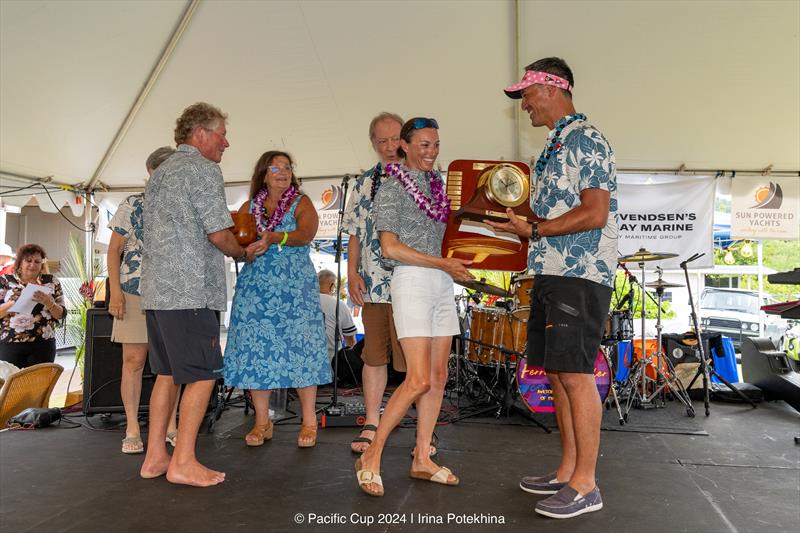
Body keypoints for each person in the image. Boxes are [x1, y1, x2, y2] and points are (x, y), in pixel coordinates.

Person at [487, 57, 618, 519]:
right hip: (552, 269)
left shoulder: (585, 138)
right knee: (559, 374)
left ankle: (587, 485)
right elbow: (553, 218)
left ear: (553, 88)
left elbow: (595, 212)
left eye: (527, 93)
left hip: (579, 273)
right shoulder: (555, 145)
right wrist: (524, 229)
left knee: (576, 375)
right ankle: (567, 470)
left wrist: (537, 232)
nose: (523, 104)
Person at [139, 102, 257, 487]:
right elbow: (219, 233)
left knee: (167, 374)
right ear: (201, 134)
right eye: (221, 133)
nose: (227, 141)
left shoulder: (161, 172)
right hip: (190, 292)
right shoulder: (203, 169)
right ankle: (183, 461)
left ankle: (156, 456)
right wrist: (242, 251)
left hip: (157, 292)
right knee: (204, 374)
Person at [354, 117, 473, 497]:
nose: (432, 152)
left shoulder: (438, 185)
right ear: (404, 146)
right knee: (417, 378)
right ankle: (371, 457)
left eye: (436, 144)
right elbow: (389, 248)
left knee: (438, 377)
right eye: (423, 144)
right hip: (411, 281)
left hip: (440, 282)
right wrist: (443, 264)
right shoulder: (391, 187)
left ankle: (422, 457)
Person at [224, 151, 332, 449]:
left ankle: (309, 421)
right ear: (264, 173)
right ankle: (262, 421)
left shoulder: (301, 202)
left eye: (287, 167)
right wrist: (243, 251)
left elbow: (306, 234)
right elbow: (238, 241)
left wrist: (276, 238)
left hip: (294, 288)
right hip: (256, 288)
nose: (283, 172)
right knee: (257, 351)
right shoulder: (249, 206)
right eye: (276, 167)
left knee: (301, 348)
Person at [342, 112, 412, 455]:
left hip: (413, 284)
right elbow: (354, 234)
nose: (389, 147)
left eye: (395, 139)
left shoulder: (422, 177)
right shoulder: (363, 183)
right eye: (381, 141)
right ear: (372, 143)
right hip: (373, 285)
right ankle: (372, 420)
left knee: (416, 362)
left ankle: (423, 431)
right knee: (373, 356)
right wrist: (351, 272)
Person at [107, 146, 179, 455]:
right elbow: (113, 250)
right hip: (134, 291)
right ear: (152, 171)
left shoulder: (183, 206)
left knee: (172, 366)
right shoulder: (132, 203)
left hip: (174, 294)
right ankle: (133, 427)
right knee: (133, 361)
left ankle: (171, 425)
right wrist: (115, 292)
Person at [0, 244, 65, 368]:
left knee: (40, 385)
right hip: (10, 343)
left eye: (37, 261)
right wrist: (17, 301)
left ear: (41, 265)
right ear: (19, 263)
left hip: (43, 344)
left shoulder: (51, 282)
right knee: (10, 385)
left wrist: (49, 302)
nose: (33, 264)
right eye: (28, 261)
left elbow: (61, 315)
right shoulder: (4, 281)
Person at [317, 269, 357, 362]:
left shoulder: (305, 303)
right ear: (332, 286)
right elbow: (350, 340)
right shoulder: (339, 305)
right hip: (332, 361)